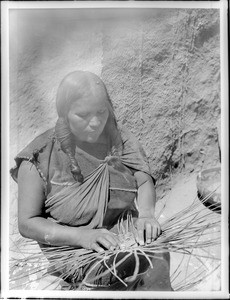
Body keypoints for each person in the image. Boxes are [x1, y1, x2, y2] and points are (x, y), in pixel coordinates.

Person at [10, 71, 172, 290]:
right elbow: (27, 222)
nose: (95, 122)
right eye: (83, 115)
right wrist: (81, 236)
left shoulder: (119, 139)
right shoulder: (40, 157)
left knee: (157, 246)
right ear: (64, 113)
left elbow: (143, 181)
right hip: (75, 249)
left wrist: (146, 215)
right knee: (108, 272)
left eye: (101, 112)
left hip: (124, 235)